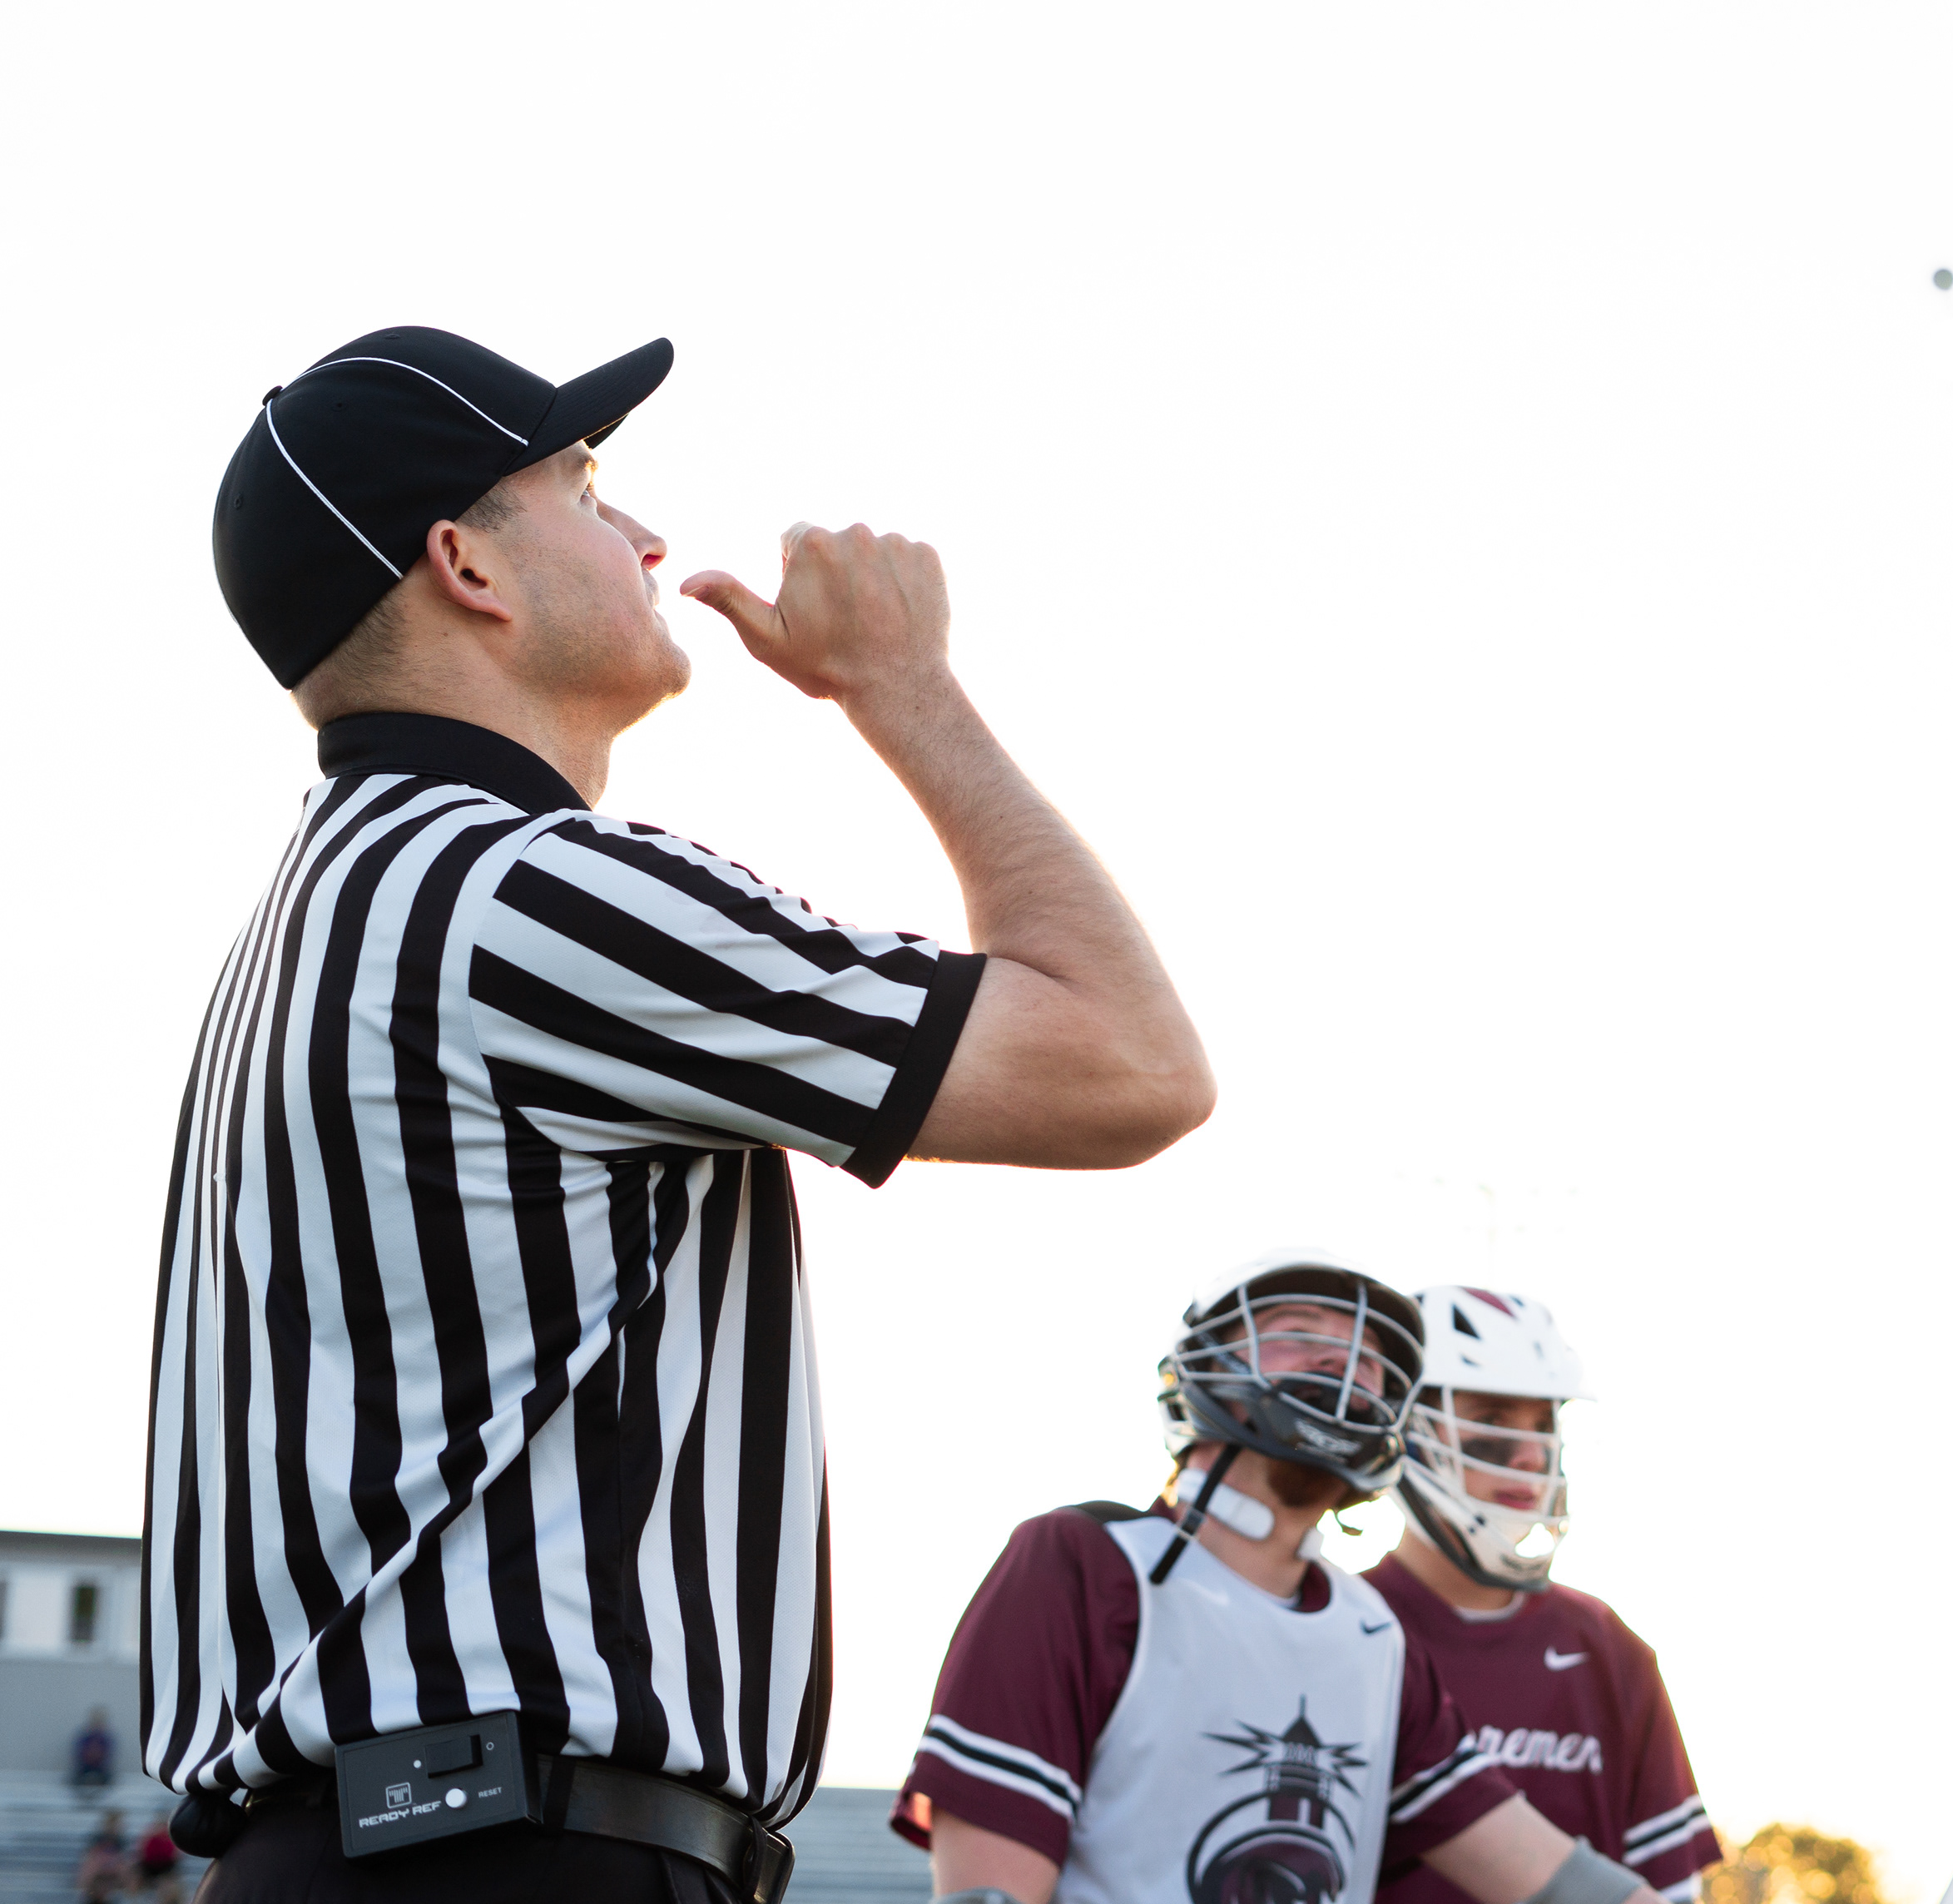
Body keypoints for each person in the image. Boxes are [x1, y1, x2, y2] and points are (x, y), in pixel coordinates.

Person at [152, 326, 1215, 1904]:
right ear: (465, 565)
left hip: (374, 1842)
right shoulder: (527, 891)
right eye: (586, 491)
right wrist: (903, 686)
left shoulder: (326, 910)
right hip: (514, 1854)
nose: (647, 537)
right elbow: (1130, 1066)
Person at [893, 1253, 1668, 1904]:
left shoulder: (1372, 1633)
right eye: (1299, 1333)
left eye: (1370, 1360)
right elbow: (989, 1891)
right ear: (1204, 1369)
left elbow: (1549, 1876)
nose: (1343, 1363)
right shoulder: (1084, 1564)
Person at [1367, 1287, 1719, 1904]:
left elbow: (1670, 1890)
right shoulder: (1345, 1626)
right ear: (1406, 1427)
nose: (1531, 1455)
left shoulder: (1607, 1648)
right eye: (1492, 1419)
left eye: (1543, 1424)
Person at [74, 1811, 130, 1903]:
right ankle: (84, 1892)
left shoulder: (121, 1841)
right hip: (100, 1866)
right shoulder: (98, 1839)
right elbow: (92, 1854)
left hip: (114, 1867)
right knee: (91, 1866)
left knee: (124, 1868)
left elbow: (122, 1857)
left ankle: (128, 1894)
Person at [71, 1707, 113, 1793]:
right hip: (84, 1770)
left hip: (101, 1770)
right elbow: (79, 1754)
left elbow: (108, 1756)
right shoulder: (84, 1738)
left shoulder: (106, 1739)